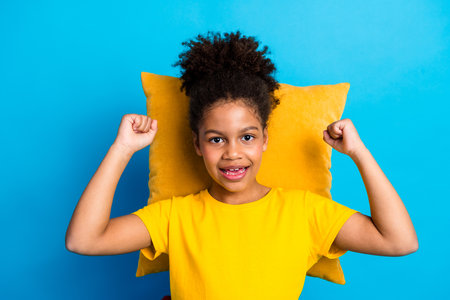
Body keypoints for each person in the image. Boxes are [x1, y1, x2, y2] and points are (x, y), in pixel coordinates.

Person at [66, 31, 418, 299]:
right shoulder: (175, 216)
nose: (233, 153)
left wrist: (359, 153)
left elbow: (399, 242)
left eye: (246, 137)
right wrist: (122, 149)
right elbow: (84, 240)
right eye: (216, 139)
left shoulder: (305, 212)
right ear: (197, 144)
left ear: (265, 139)